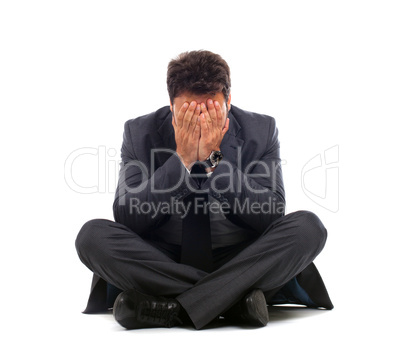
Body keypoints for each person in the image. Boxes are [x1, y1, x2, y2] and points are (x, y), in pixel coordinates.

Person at [75, 50, 333, 330]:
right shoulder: (139, 132)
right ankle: (232, 301)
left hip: (240, 255)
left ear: (229, 103)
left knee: (308, 227)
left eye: (211, 113)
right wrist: (182, 160)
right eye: (187, 114)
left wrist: (213, 160)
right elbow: (128, 216)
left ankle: (171, 308)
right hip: (164, 258)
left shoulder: (261, 129)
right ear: (171, 107)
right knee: (91, 236)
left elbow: (270, 213)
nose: (200, 124)